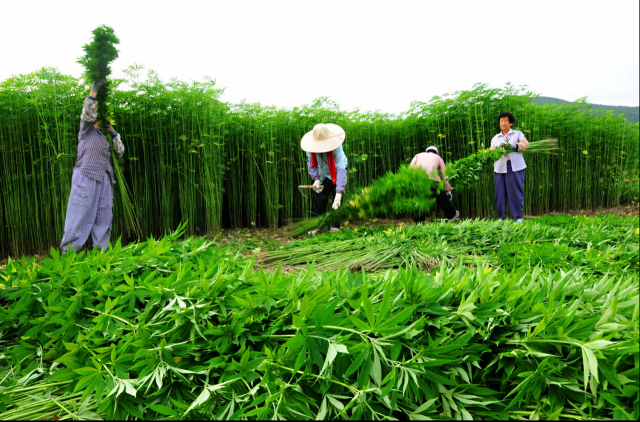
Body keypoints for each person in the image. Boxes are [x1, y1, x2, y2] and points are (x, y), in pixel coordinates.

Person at [60, 77, 125, 252]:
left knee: (104, 216)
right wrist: (94, 90)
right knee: (78, 214)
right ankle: (69, 254)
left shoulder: (105, 136)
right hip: (86, 176)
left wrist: (114, 134)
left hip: (105, 179)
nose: (97, 119)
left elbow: (120, 153)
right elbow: (88, 113)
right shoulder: (86, 130)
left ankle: (101, 253)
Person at [301, 123, 348, 234]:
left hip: (336, 171)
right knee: (318, 198)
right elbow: (312, 164)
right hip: (322, 172)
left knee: (337, 201)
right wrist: (316, 179)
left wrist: (339, 192)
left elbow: (341, 168)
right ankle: (317, 225)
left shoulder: (336, 147)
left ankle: (334, 226)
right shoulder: (310, 147)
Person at [490, 112, 529, 223]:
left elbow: (525, 144)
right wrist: (494, 150)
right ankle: (501, 217)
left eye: (505, 121)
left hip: (514, 166)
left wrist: (514, 146)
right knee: (499, 192)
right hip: (499, 167)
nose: (503, 123)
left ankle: (518, 216)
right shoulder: (495, 138)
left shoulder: (517, 134)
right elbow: (491, 151)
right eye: (501, 121)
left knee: (515, 190)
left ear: (511, 123)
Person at [410, 146, 460, 222]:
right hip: (433, 180)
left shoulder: (418, 155)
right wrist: (447, 185)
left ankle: (418, 221)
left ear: (427, 152)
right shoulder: (438, 157)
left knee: (418, 201)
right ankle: (452, 215)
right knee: (441, 198)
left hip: (418, 180)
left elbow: (411, 167)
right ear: (436, 152)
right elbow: (443, 173)